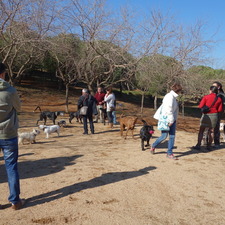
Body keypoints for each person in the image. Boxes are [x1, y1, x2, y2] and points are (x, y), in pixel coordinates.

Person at [0, 62, 25, 210]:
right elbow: (19, 108)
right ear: (3, 74)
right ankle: (15, 200)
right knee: (11, 167)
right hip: (8, 134)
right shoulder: (10, 90)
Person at [150, 83, 182, 160]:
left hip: (172, 119)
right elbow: (169, 110)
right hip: (167, 120)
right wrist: (171, 120)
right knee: (164, 136)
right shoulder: (169, 97)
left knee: (172, 136)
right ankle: (153, 145)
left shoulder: (173, 97)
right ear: (178, 90)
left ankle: (169, 153)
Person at [193, 86, 223, 151]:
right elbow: (220, 109)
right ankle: (209, 146)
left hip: (206, 115)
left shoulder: (206, 97)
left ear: (210, 90)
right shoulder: (219, 99)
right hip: (214, 115)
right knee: (211, 131)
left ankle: (198, 145)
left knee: (201, 130)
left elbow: (200, 106)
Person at [212, 81, 225, 148]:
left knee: (216, 128)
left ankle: (216, 143)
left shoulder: (221, 95)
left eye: (214, 86)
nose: (212, 88)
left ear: (219, 87)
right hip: (213, 113)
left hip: (218, 113)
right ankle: (209, 142)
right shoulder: (216, 95)